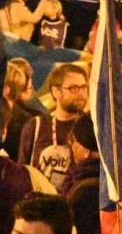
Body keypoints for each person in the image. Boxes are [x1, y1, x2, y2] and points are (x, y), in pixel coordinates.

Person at [17, 63, 89, 191]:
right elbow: (22, 172)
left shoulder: (91, 127)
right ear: (56, 91)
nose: (81, 93)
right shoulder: (35, 125)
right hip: (39, 203)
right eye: (73, 88)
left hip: (73, 203)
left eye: (84, 87)